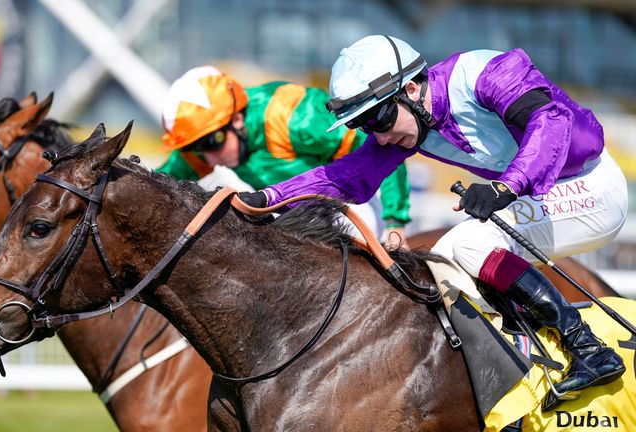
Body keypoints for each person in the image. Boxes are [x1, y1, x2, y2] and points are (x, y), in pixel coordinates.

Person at [239, 35, 627, 410]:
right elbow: (346, 178)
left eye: (378, 117)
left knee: (469, 244)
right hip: (540, 194)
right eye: (364, 126)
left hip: (590, 185)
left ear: (410, 89)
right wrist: (268, 199)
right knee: (444, 256)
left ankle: (588, 348)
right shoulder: (413, 124)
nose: (380, 135)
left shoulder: (487, 73)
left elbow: (551, 120)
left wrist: (504, 187)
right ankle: (522, 363)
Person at [157, 65, 411, 244]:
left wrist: (394, 221)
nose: (208, 159)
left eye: (211, 142)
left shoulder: (294, 116)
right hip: (290, 210)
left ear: (236, 119)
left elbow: (383, 145)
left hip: (355, 198)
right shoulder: (211, 143)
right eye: (195, 147)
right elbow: (159, 183)